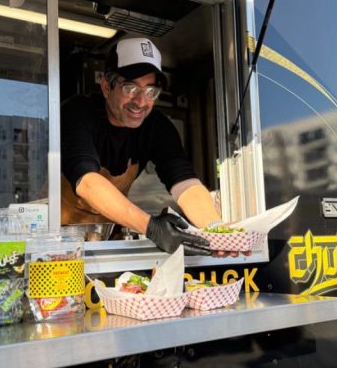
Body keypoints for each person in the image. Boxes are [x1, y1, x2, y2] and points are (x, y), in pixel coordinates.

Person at [61, 37, 223, 256]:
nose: (140, 101)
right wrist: (152, 227)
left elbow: (184, 182)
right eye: (130, 88)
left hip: (106, 240)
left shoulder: (156, 127)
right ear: (106, 87)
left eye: (150, 91)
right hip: (56, 243)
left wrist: (217, 231)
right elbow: (87, 181)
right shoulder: (78, 112)